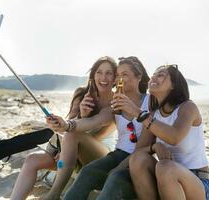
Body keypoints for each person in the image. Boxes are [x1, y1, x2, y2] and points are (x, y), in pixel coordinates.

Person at [10, 56, 118, 200]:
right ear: (93, 75)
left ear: (115, 78)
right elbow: (68, 124)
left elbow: (96, 134)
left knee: (72, 136)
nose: (103, 77)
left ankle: (54, 194)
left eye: (109, 73)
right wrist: (80, 116)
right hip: (70, 153)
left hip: (99, 154)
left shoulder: (116, 101)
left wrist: (68, 143)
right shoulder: (82, 94)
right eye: (99, 72)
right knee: (32, 159)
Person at [47, 56, 150, 200]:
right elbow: (94, 121)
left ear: (139, 76)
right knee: (87, 172)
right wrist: (66, 125)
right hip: (117, 155)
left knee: (114, 179)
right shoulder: (115, 104)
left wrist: (117, 169)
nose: (119, 79)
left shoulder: (150, 101)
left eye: (124, 75)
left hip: (139, 159)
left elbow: (148, 141)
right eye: (118, 75)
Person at [128, 64, 209, 200]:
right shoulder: (154, 115)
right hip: (167, 181)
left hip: (199, 182)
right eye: (154, 75)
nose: (154, 77)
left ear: (173, 85)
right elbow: (138, 152)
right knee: (138, 160)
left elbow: (174, 137)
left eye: (161, 75)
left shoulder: (187, 107)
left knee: (165, 167)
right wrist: (155, 147)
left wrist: (138, 113)